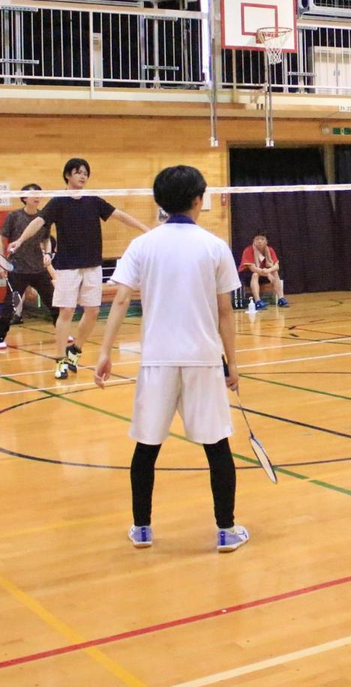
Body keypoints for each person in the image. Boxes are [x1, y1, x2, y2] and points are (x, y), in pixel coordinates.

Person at [95, 166, 247, 553]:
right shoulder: (214, 246)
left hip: (157, 361)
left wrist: (105, 351)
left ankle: (142, 528)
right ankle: (226, 530)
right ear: (198, 200)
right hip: (203, 359)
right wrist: (232, 363)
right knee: (217, 446)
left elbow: (121, 300)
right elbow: (225, 312)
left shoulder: (142, 245)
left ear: (160, 201)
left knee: (146, 447)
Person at [8, 158, 149, 379]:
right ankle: (60, 361)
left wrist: (144, 228)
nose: (82, 176)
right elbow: (38, 222)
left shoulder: (93, 200)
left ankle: (75, 351)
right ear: (67, 175)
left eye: (85, 173)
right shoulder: (58, 202)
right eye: (78, 172)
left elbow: (119, 215)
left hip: (92, 265)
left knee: (92, 312)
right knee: (66, 311)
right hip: (67, 267)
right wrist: (20, 240)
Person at [0, 184, 57, 350]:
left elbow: (46, 239)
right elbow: (1, 238)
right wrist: (1, 262)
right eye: (33, 194)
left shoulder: (43, 218)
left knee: (53, 301)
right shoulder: (14, 216)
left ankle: (62, 331)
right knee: (10, 304)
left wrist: (48, 253)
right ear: (24, 198)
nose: (37, 196)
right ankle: (0, 336)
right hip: (18, 270)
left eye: (39, 194)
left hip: (38, 269)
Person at [239, 233, 288, 310]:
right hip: (248, 275)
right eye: (257, 239)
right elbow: (253, 269)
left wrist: (268, 271)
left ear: (266, 241)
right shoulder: (248, 250)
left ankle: (281, 299)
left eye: (262, 239)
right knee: (255, 274)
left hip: (264, 273)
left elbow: (276, 266)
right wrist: (267, 274)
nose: (259, 241)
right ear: (253, 241)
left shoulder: (270, 250)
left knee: (275, 272)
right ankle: (258, 302)